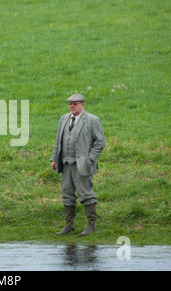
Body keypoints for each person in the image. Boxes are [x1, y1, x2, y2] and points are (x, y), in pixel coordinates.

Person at [50, 94, 105, 236]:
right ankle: (69, 225)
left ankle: (91, 226)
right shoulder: (64, 119)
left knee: (86, 195)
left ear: (82, 104)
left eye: (75, 103)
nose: (72, 106)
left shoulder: (92, 120)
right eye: (70, 104)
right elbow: (58, 141)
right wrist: (54, 159)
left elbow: (100, 142)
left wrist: (90, 158)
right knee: (66, 195)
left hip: (82, 165)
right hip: (66, 164)